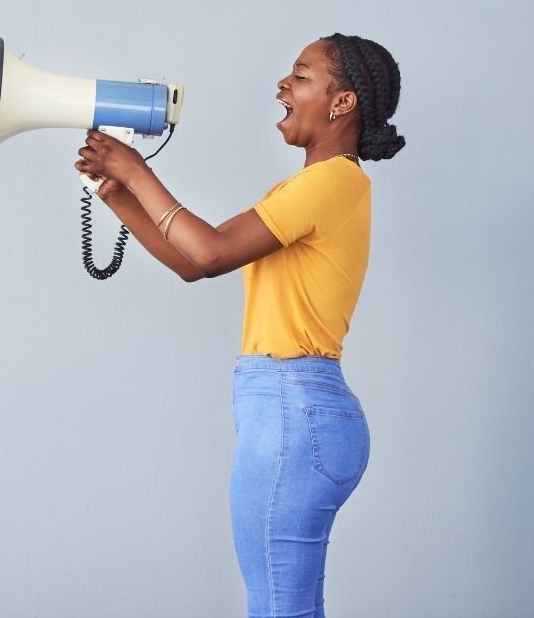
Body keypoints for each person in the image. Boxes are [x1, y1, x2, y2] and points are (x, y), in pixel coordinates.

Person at [75, 34, 404, 618]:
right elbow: (190, 263)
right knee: (288, 607)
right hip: (298, 412)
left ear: (343, 102)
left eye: (300, 76)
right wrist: (120, 194)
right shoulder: (315, 188)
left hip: (290, 410)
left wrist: (136, 168)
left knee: (278, 609)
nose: (282, 85)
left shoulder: (330, 182)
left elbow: (210, 252)